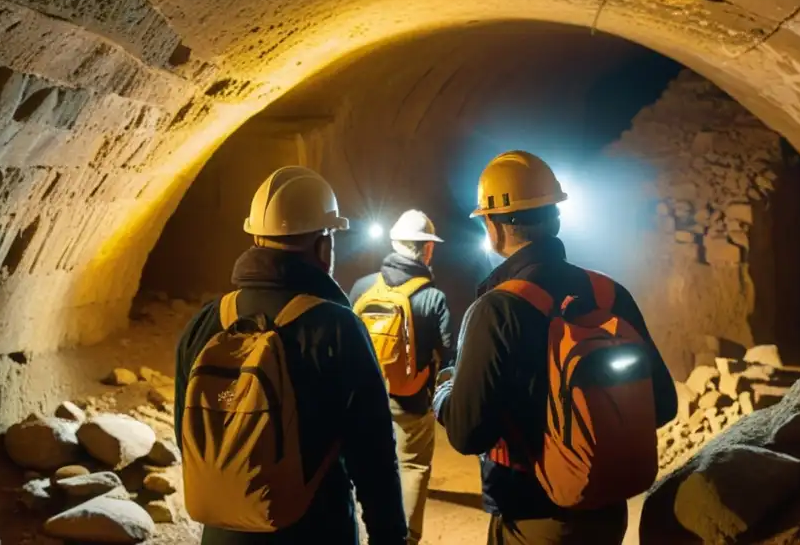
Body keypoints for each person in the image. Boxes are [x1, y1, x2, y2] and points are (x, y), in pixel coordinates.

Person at [433, 151, 678, 545]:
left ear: (493, 228)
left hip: (533, 516)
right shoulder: (609, 294)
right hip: (608, 514)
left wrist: (444, 395)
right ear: (557, 218)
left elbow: (467, 434)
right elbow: (663, 404)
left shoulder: (496, 309)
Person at [173, 166, 407, 545]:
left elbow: (189, 437)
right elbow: (375, 458)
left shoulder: (206, 322)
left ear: (255, 238)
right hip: (315, 531)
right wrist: (390, 537)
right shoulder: (337, 328)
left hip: (222, 535)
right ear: (323, 245)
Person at [350, 210, 455, 545]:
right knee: (411, 467)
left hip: (365, 399)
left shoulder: (362, 287)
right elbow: (449, 350)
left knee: (369, 465)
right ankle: (405, 539)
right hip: (411, 398)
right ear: (427, 250)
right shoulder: (432, 297)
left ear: (394, 243)